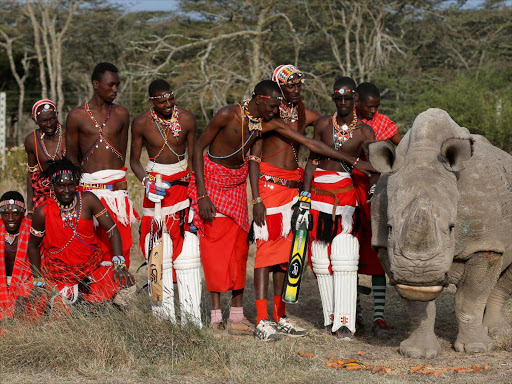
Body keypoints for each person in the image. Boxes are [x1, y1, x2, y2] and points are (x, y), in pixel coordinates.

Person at [189, 79, 374, 336]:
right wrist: (203, 194)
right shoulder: (229, 115)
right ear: (261, 99)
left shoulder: (269, 123)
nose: (277, 111)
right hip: (229, 186)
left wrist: (353, 160)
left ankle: (271, 315)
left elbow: (312, 145)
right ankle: (246, 318)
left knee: (260, 254)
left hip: (266, 189)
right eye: (274, 105)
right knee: (233, 252)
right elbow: (200, 148)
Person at [249, 65, 321, 340]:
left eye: (299, 85)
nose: (296, 89)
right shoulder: (268, 116)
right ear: (278, 88)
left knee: (285, 257)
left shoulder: (301, 112)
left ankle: (279, 315)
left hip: (293, 191)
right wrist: (256, 199)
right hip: (269, 190)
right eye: (291, 86)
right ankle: (261, 319)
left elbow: (325, 123)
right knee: (266, 254)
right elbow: (254, 159)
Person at [303, 77, 377, 340]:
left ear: (355, 98)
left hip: (346, 199)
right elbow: (312, 160)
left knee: (345, 257)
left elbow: (374, 167)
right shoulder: (323, 124)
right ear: (333, 98)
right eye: (338, 98)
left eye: (347, 98)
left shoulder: (365, 132)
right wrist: (304, 194)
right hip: (318, 196)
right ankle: (329, 317)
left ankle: (346, 322)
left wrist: (372, 191)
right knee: (321, 259)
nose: (343, 102)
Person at [130, 79, 201, 326]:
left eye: (171, 98)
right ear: (152, 101)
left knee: (189, 250)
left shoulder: (188, 118)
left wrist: (192, 188)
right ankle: (163, 319)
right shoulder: (140, 123)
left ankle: (192, 318)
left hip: (182, 184)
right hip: (155, 186)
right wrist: (146, 182)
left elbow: (194, 157)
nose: (169, 104)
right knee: (157, 246)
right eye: (162, 100)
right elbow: (135, 162)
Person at [27, 159, 135, 311]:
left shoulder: (88, 200)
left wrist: (119, 264)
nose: (66, 190)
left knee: (126, 283)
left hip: (91, 270)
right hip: (59, 275)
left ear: (76, 184)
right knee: (51, 304)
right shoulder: (42, 213)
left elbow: (112, 230)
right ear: (53, 186)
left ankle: (97, 306)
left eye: (71, 185)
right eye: (61, 186)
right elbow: (33, 245)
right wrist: (37, 279)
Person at [65, 62, 138, 269]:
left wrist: (114, 183)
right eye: (110, 85)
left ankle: (118, 296)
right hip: (89, 191)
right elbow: (72, 160)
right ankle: (94, 297)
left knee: (121, 244)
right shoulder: (76, 116)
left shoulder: (122, 114)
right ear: (96, 84)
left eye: (118, 85)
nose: (115, 90)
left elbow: (121, 157)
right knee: (91, 245)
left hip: (116, 193)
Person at [354, 82, 399, 337]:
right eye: (369, 106)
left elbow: (399, 143)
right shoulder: (347, 122)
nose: (373, 111)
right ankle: (355, 313)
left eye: (376, 107)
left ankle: (379, 316)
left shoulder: (383, 122)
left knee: (377, 255)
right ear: (357, 102)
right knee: (349, 257)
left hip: (376, 190)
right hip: (351, 188)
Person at [24, 99, 66, 216]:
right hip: (43, 195)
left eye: (52, 119)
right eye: (43, 121)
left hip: (68, 194)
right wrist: (30, 210)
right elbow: (31, 174)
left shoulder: (68, 135)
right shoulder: (32, 140)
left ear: (57, 115)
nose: (49, 124)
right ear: (35, 121)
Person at [0, 192, 32, 319]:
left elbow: (38, 265)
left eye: (15, 213)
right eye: (5, 214)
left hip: (25, 283)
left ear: (23, 213)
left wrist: (25, 291)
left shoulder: (32, 230)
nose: (11, 218)